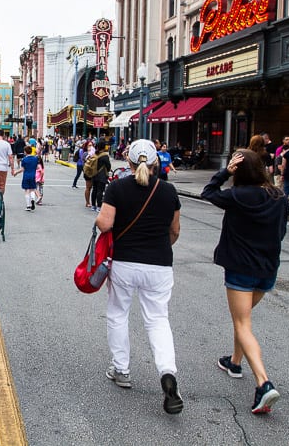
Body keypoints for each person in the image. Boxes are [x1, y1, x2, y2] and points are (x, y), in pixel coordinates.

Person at [94, 139, 183, 415]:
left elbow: (106, 223)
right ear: (156, 162)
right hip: (159, 264)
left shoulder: (117, 187)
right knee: (158, 320)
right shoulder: (169, 191)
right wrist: (158, 249)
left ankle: (121, 369)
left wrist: (98, 221)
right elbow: (175, 231)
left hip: (124, 262)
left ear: (128, 162)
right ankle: (167, 373)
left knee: (118, 314)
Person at [201, 149, 288, 414]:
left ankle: (263, 383)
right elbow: (281, 231)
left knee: (242, 322)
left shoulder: (238, 196)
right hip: (267, 267)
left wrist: (224, 172)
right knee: (244, 320)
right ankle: (235, 362)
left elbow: (208, 192)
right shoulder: (279, 198)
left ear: (239, 171)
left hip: (241, 267)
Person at [12, 145, 39, 211]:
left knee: (26, 190)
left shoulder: (24, 159)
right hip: (33, 176)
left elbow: (22, 169)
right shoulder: (35, 159)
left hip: (26, 176)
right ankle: (33, 199)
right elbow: (37, 167)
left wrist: (16, 172)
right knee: (32, 189)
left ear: (25, 152)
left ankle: (28, 205)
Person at [90, 140, 112, 212]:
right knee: (100, 191)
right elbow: (108, 166)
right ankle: (99, 206)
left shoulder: (95, 154)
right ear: (103, 147)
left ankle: (93, 205)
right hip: (102, 175)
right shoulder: (105, 156)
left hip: (94, 175)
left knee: (94, 190)